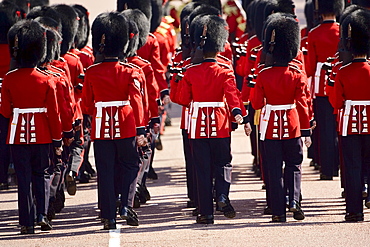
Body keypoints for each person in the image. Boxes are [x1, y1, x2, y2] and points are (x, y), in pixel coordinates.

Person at [178, 14, 251, 224]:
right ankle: (222, 194)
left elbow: (183, 99)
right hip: (220, 123)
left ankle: (205, 212)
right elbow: (232, 97)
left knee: (201, 168)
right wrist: (239, 115)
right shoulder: (225, 71)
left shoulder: (190, 71)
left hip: (198, 124)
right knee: (223, 162)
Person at [82, 11, 147, 230]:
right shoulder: (131, 72)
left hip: (101, 127)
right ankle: (126, 206)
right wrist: (140, 130)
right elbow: (137, 101)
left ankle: (109, 216)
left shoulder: (91, 72)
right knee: (131, 164)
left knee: (105, 170)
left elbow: (87, 105)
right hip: (126, 124)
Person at [1, 19, 63, 234]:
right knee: (41, 174)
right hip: (43, 135)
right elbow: (54, 113)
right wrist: (57, 140)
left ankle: (26, 222)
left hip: (17, 135)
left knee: (23, 179)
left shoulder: (9, 79)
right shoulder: (47, 80)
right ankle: (42, 215)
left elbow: (6, 112)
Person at [251, 13, 311, 222]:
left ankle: (278, 211)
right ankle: (294, 200)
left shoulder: (263, 74)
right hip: (292, 123)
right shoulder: (296, 74)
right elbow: (302, 103)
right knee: (294, 163)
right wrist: (306, 130)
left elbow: (257, 103)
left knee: (273, 168)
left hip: (270, 127)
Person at [329, 8, 370, 221]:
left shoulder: (342, 72)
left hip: (350, 124)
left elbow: (336, 102)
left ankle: (354, 211)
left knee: (352, 167)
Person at [305, 0, 344, 180]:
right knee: (341, 127)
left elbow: (310, 67)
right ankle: (340, 165)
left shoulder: (313, 33)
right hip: (342, 81)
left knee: (326, 128)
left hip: (321, 85)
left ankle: (328, 169)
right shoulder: (342, 31)